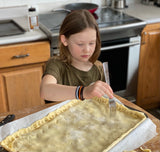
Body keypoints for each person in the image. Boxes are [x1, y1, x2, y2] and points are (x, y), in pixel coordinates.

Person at [40, 9, 113, 102]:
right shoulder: (56, 64)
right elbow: (45, 91)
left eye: (91, 43)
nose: (87, 50)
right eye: (80, 44)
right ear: (65, 40)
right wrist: (83, 92)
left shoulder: (99, 68)